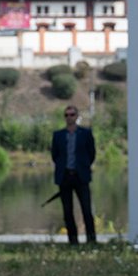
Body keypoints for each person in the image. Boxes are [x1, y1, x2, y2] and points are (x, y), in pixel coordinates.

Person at [51, 104, 97, 244]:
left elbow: (91, 153)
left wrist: (83, 166)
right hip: (65, 176)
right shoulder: (58, 135)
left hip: (81, 176)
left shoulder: (86, 133)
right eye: (66, 115)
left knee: (86, 209)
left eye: (72, 115)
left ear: (77, 116)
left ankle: (91, 239)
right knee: (67, 211)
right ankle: (73, 241)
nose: (69, 117)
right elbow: (55, 155)